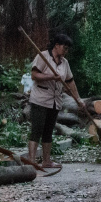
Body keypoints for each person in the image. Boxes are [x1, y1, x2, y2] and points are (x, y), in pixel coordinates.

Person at [28, 32, 85, 171]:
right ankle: (31, 162)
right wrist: (51, 77)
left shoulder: (65, 63)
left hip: (55, 102)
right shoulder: (43, 56)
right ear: (57, 45)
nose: (66, 51)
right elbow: (34, 75)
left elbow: (70, 82)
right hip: (40, 100)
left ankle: (46, 161)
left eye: (67, 49)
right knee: (37, 130)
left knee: (48, 131)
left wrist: (78, 99)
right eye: (64, 48)